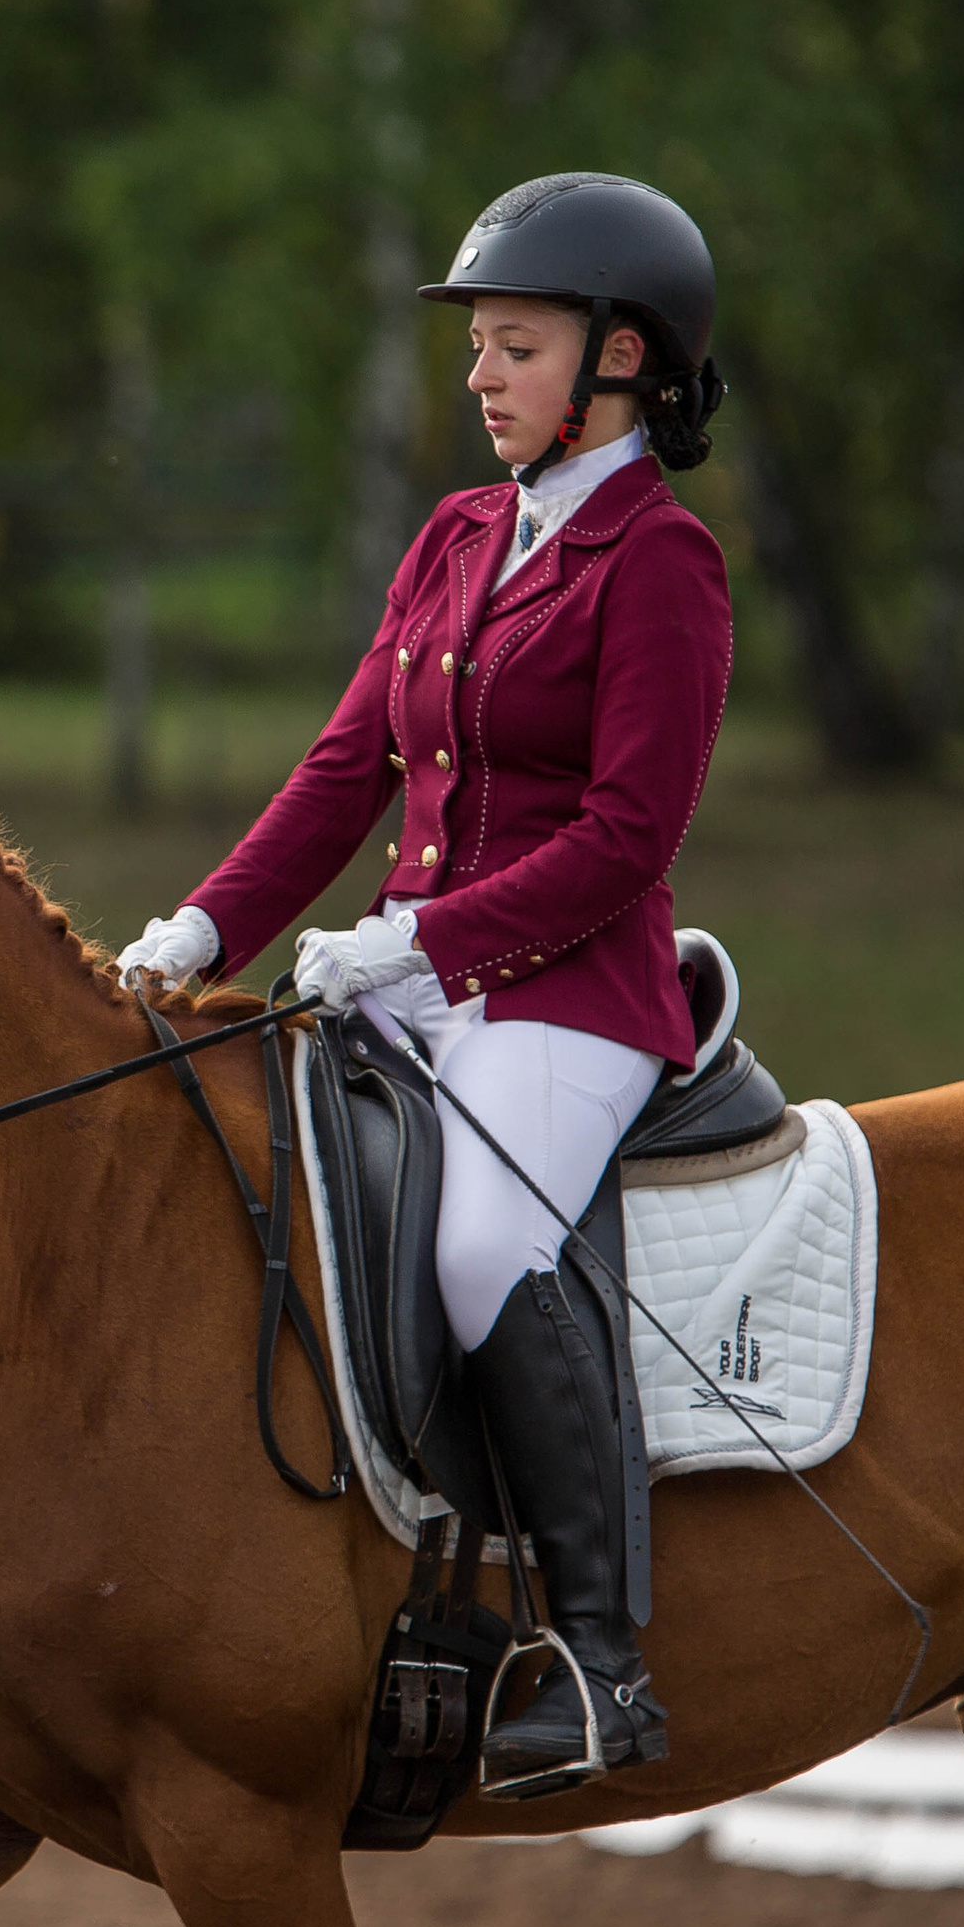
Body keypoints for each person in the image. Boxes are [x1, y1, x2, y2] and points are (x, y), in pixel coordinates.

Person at [117, 172, 732, 1795]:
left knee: (474, 1249)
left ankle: (604, 1665)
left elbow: (626, 836)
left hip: (567, 1002)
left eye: (514, 346)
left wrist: (420, 944)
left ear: (622, 359)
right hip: (407, 987)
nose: (479, 376)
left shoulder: (660, 563)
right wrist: (198, 936)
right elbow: (344, 772)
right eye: (481, 348)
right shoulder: (459, 536)